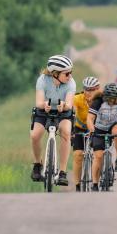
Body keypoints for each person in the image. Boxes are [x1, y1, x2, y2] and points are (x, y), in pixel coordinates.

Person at [30, 55, 75, 186]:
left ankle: (62, 172)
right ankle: (37, 164)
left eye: (71, 72)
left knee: (66, 132)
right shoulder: (42, 80)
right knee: (35, 135)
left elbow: (69, 104)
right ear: (55, 74)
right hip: (44, 110)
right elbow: (38, 102)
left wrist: (64, 106)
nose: (70, 76)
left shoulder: (71, 83)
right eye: (67, 73)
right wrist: (44, 105)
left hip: (63, 111)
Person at [87, 83, 117, 191]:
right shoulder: (98, 101)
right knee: (98, 156)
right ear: (110, 98)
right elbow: (90, 119)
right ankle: (95, 183)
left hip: (113, 126)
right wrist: (92, 130)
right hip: (99, 129)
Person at [71, 76, 101, 192]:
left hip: (96, 128)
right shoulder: (78, 98)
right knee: (78, 155)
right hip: (80, 128)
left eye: (93, 89)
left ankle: (96, 182)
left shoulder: (101, 100)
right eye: (87, 89)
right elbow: (72, 112)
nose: (90, 92)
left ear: (98, 90)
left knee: (99, 155)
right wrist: (70, 130)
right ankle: (78, 186)